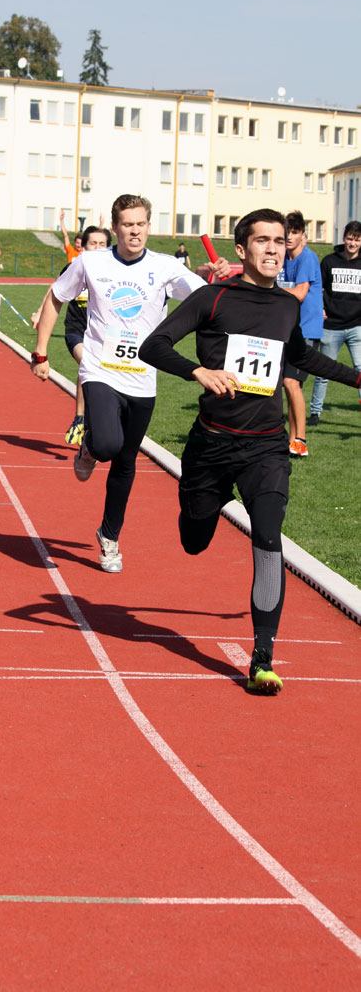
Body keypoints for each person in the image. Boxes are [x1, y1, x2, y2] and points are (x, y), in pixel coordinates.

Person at [139, 208, 361, 695]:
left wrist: (358, 378)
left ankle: (262, 657)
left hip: (266, 446)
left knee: (268, 536)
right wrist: (198, 371)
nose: (273, 249)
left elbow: (299, 355)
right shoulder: (212, 297)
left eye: (279, 241)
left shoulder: (285, 305)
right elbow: (153, 346)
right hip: (211, 445)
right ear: (242, 250)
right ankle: (201, 507)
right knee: (194, 540)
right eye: (263, 241)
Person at [31, 193, 229, 574]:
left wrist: (216, 277)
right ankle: (90, 448)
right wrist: (41, 352)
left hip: (142, 377)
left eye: (141, 224)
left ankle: (109, 536)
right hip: (100, 369)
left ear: (149, 226)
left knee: (125, 461)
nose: (135, 231)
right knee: (107, 444)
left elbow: (208, 297)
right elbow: (56, 296)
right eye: (127, 225)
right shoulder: (91, 262)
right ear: (115, 227)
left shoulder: (165, 267)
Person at [31, 225, 112, 446]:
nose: (97, 248)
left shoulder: (114, 273)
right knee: (88, 363)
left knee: (103, 376)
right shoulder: (74, 267)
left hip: (104, 335)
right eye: (93, 244)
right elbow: (54, 291)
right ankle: (80, 419)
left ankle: (93, 423)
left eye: (102, 244)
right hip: (76, 331)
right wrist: (39, 311)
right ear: (83, 247)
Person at [277, 211, 324, 457]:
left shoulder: (307, 258)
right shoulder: (284, 258)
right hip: (289, 330)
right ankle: (292, 439)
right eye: (287, 232)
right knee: (289, 386)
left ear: (302, 235)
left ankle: (301, 441)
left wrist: (271, 293)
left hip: (307, 331)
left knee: (291, 382)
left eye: (294, 233)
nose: (289, 237)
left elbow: (300, 293)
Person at [309, 220, 361, 425]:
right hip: (332, 326)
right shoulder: (329, 261)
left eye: (357, 240)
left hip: (357, 326)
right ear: (344, 238)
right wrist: (320, 308)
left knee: (360, 369)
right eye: (350, 238)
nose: (353, 243)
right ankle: (315, 413)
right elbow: (317, 289)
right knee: (324, 372)